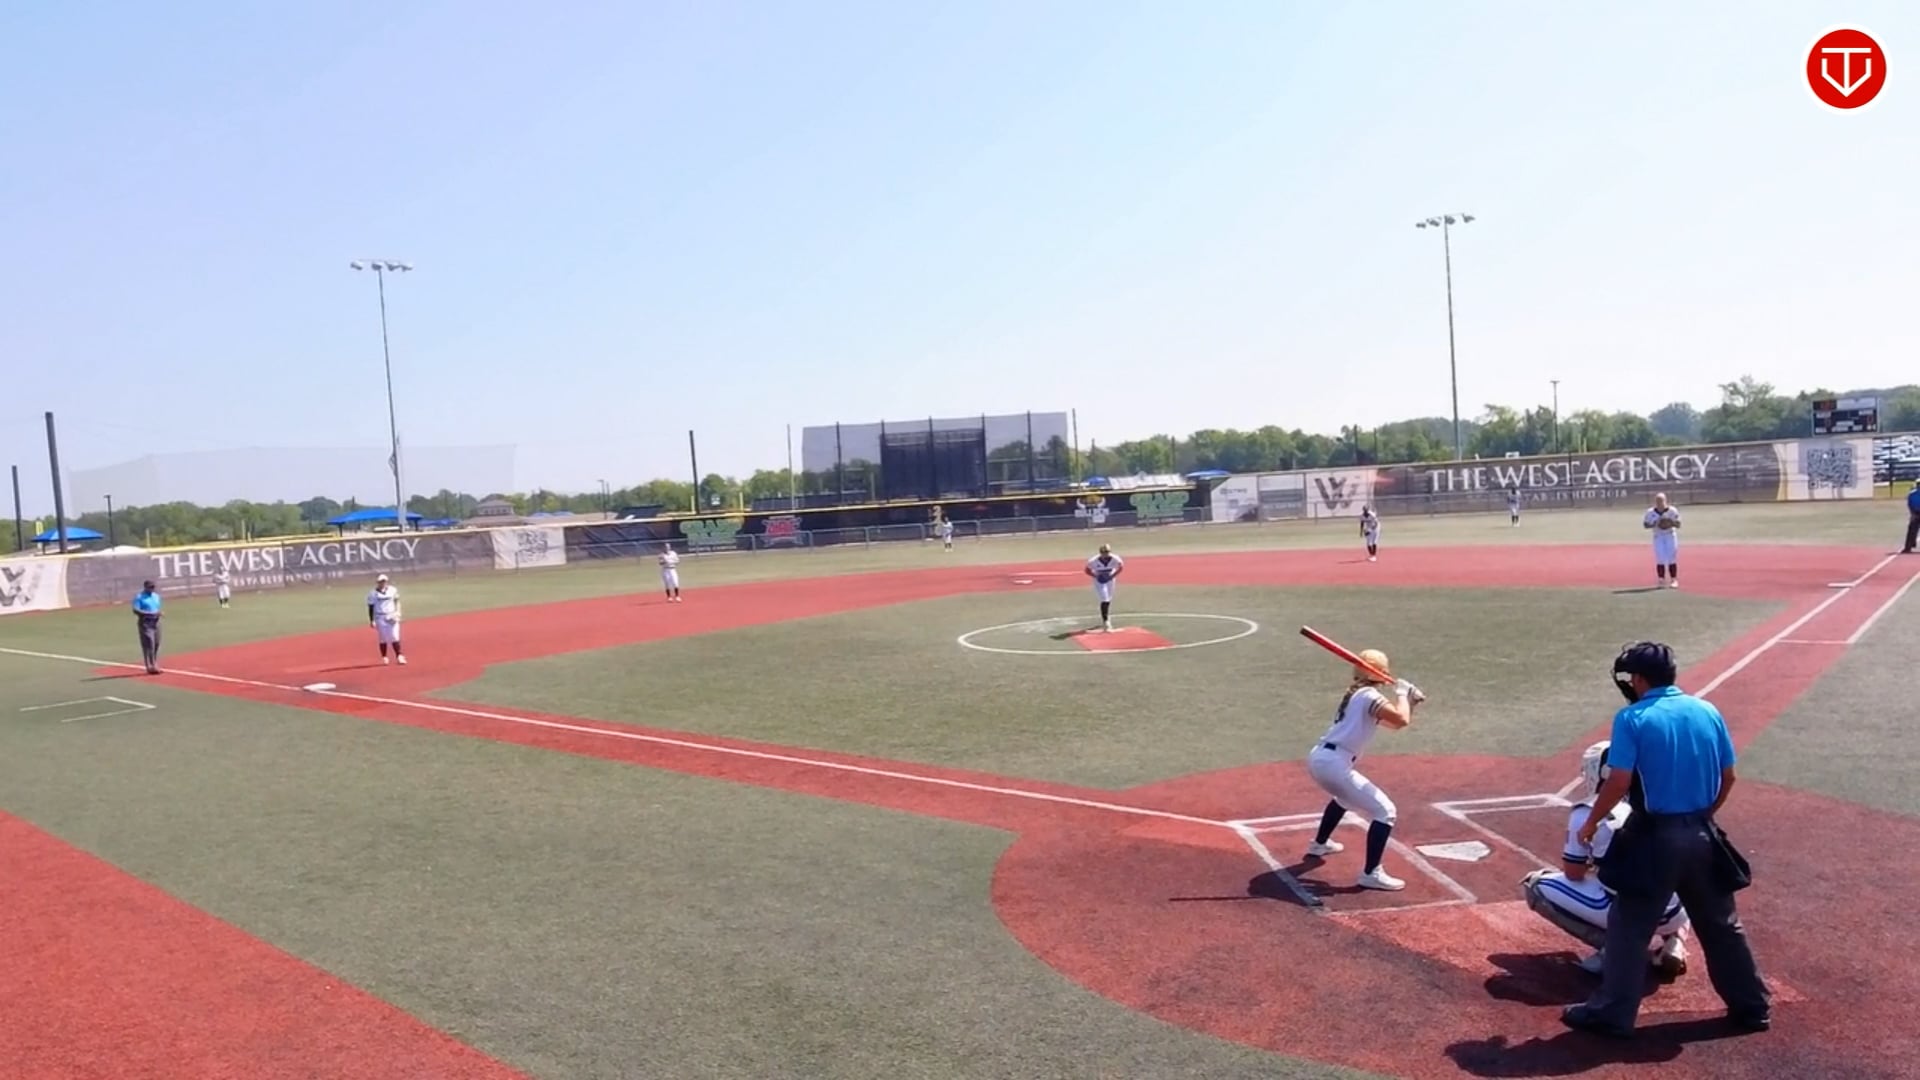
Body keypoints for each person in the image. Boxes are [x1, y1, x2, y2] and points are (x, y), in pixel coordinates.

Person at [1560, 641, 1770, 1039]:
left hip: (1654, 838)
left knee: (1629, 926)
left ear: (1639, 679)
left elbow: (1618, 781)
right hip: (1703, 834)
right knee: (1722, 926)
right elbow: (1729, 777)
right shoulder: (1707, 710)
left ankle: (1612, 1013)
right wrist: (1705, 815)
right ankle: (1752, 1007)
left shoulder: (1632, 718)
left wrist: (1591, 822)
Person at [1521, 740, 1690, 978]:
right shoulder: (1657, 802)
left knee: (1535, 885)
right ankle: (1676, 943)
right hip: (1677, 910)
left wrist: (1596, 859)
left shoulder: (1586, 812)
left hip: (1630, 910)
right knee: (1672, 875)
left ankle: (1616, 949)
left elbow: (1573, 873)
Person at [1302, 649, 1425, 891]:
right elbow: (1401, 720)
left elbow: (1396, 723)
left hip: (1323, 759)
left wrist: (1410, 701)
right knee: (1385, 811)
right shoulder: (1369, 696)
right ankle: (1371, 873)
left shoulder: (1359, 695)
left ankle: (1319, 844)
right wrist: (1402, 693)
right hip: (1333, 762)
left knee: (1345, 797)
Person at [1643, 493, 1682, 588]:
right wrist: (1655, 524)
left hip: (1670, 535)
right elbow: (1645, 524)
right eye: (1658, 501)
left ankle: (1673, 579)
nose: (1660, 503)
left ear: (1665, 501)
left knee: (1671, 557)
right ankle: (1661, 580)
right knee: (1660, 558)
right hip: (1658, 536)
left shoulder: (1672, 511)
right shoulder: (1650, 512)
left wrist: (1670, 522)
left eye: (1661, 501)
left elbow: (1679, 524)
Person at [366, 573, 406, 665]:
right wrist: (372, 620)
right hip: (380, 617)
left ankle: (399, 656)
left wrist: (398, 612)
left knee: (394, 636)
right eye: (381, 582)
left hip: (391, 615)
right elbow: (371, 607)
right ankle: (384, 657)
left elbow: (397, 601)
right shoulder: (373, 594)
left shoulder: (392, 590)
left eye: (384, 581)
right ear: (378, 582)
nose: (383, 583)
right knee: (383, 638)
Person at [1085, 543, 1123, 632]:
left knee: (1109, 598)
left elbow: (1121, 567)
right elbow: (1087, 570)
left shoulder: (1115, 559)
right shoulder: (1093, 561)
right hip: (1099, 580)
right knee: (1104, 598)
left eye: (1107, 552)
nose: (1106, 554)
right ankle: (1106, 621)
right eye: (1104, 552)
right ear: (1100, 553)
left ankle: (1106, 616)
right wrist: (1096, 576)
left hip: (1110, 578)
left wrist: (1112, 576)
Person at [131, 580, 163, 675]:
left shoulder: (156, 596)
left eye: (153, 587)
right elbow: (135, 610)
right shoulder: (140, 597)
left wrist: (158, 613)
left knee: (156, 643)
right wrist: (149, 613)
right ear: (145, 587)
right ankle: (150, 666)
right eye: (150, 587)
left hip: (156, 622)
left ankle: (154, 663)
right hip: (146, 623)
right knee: (149, 643)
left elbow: (156, 608)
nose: (152, 589)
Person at [1902, 482, 1919, 554]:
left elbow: (1910, 504)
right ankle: (1908, 546)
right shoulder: (1912, 494)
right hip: (1915, 513)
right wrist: (1912, 513)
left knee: (1912, 530)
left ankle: (1908, 547)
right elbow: (1910, 504)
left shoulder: (1912, 494)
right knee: (1911, 530)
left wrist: (1912, 513)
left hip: (1915, 513)